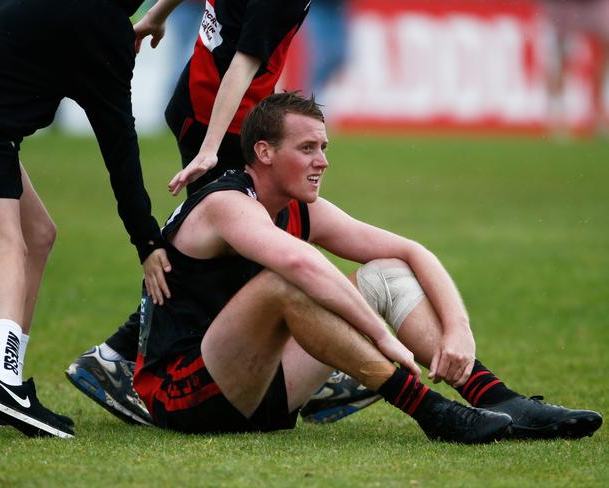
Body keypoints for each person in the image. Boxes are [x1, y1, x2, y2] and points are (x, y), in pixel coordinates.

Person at [132, 92, 602, 440]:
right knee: (287, 282)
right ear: (264, 152)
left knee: (384, 271)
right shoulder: (226, 203)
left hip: (259, 392)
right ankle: (430, 411)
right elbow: (300, 264)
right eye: (307, 148)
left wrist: (459, 331)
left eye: (324, 147)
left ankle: (494, 396)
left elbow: (412, 252)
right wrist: (382, 338)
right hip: (182, 397)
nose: (323, 161)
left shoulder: (299, 206)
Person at [65, 0, 339, 426]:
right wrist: (211, 150)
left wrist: (158, 13)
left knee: (235, 241)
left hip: (199, 103)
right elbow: (241, 67)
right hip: (223, 122)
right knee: (231, 245)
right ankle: (116, 356)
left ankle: (118, 356)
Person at [0, 0, 171, 439]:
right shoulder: (103, 28)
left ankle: (5, 386)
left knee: (38, 236)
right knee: (7, 246)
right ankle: (5, 384)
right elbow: (120, 148)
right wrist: (147, 242)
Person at [540, 0, 609, 134]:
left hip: (594, 4)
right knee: (561, 53)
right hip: (563, 5)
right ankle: (557, 113)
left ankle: (599, 111)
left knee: (605, 45)